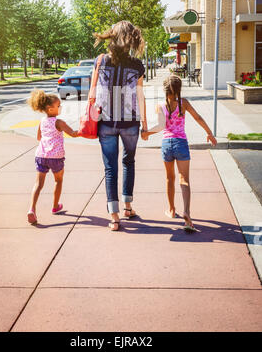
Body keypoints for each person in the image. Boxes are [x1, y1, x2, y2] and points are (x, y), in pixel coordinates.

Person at [142, 74, 217, 232]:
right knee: (185, 180)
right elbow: (198, 117)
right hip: (181, 143)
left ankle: (171, 210)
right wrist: (209, 133)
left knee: (170, 178)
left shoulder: (160, 105)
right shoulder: (184, 103)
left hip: (167, 144)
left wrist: (147, 133)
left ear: (165, 90)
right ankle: (187, 213)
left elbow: (161, 126)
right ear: (178, 89)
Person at [92, 20, 148, 231]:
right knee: (128, 162)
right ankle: (127, 206)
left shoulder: (101, 61)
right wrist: (145, 123)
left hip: (106, 122)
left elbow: (93, 93)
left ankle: (114, 217)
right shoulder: (137, 65)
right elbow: (140, 96)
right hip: (130, 122)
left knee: (110, 168)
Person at [27, 89, 78, 224]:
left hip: (41, 155)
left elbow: (39, 137)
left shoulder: (42, 121)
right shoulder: (59, 122)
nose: (60, 107)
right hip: (56, 157)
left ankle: (32, 209)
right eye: (58, 106)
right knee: (58, 180)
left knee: (38, 184)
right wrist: (86, 130)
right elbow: (73, 133)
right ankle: (55, 207)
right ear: (50, 109)